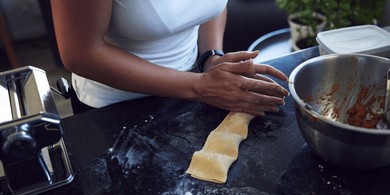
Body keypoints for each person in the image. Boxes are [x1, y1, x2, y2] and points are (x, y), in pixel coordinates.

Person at [50, 0, 289, 115]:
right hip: (115, 108)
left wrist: (211, 57)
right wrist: (199, 86)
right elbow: (80, 53)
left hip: (196, 91)